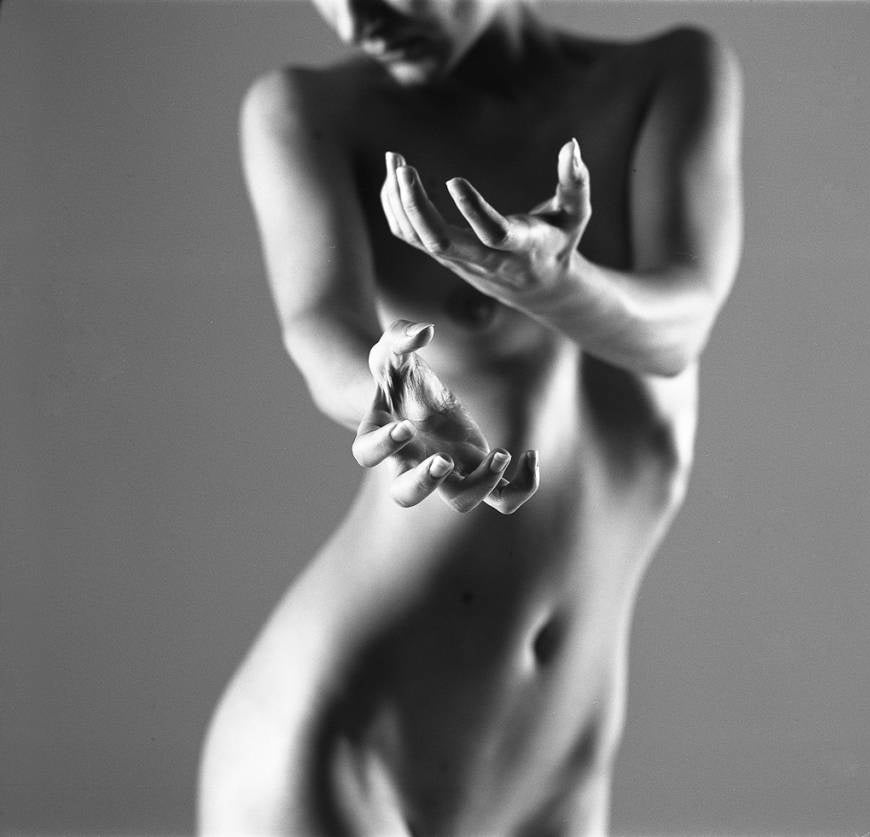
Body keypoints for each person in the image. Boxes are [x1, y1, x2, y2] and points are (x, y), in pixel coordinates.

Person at [198, 0, 742, 832]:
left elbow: (679, 329)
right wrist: (389, 402)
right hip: (341, 752)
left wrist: (557, 285)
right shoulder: (309, 112)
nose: (355, 21)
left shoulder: (669, 77)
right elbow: (321, 332)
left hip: (555, 767)